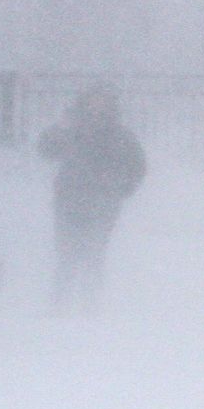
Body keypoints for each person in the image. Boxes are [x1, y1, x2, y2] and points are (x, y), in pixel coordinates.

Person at [38, 85, 146, 311]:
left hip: (104, 202)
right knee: (66, 252)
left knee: (95, 253)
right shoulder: (70, 129)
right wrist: (60, 129)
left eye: (103, 102)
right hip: (70, 199)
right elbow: (45, 151)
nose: (97, 107)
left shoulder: (120, 135)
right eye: (93, 102)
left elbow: (137, 166)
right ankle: (60, 302)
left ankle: (90, 301)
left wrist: (122, 189)